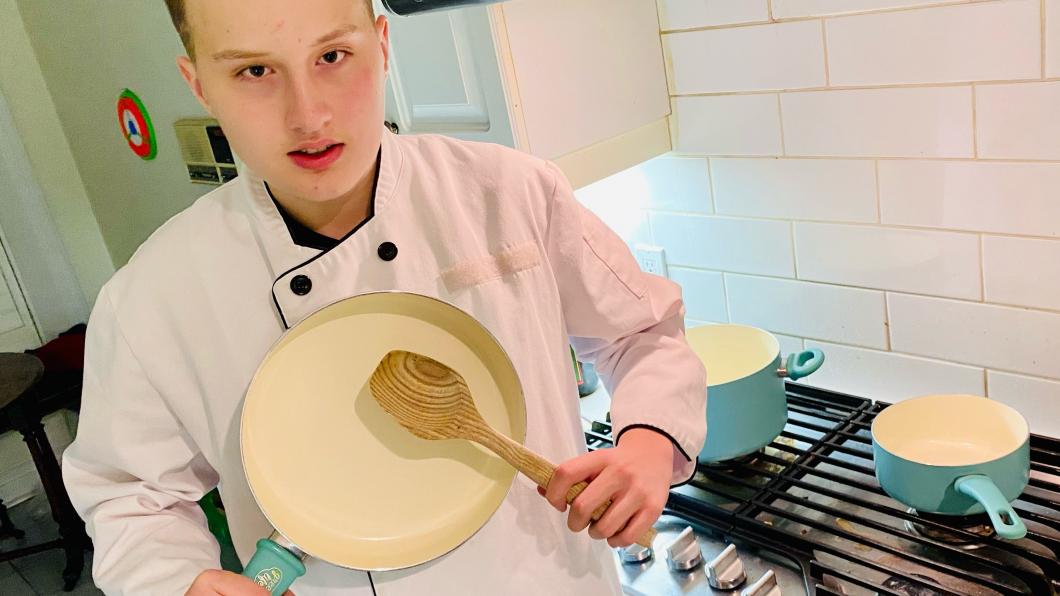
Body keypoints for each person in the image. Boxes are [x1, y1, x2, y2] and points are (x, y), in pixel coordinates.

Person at [60, 0, 707, 594]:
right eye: (255, 71)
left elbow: (642, 334)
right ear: (198, 82)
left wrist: (647, 446)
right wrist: (179, 581)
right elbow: (130, 497)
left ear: (383, 43)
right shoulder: (157, 294)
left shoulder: (509, 194)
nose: (308, 115)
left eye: (333, 57)